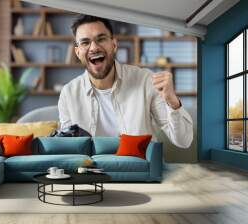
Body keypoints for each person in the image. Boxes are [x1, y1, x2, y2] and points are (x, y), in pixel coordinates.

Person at [58, 15, 193, 148]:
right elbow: (69, 147)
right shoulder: (68, 93)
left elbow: (183, 141)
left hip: (139, 168)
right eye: (85, 42)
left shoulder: (145, 80)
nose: (94, 48)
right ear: (77, 52)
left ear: (114, 44)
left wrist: (172, 101)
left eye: (101, 39)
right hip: (90, 169)